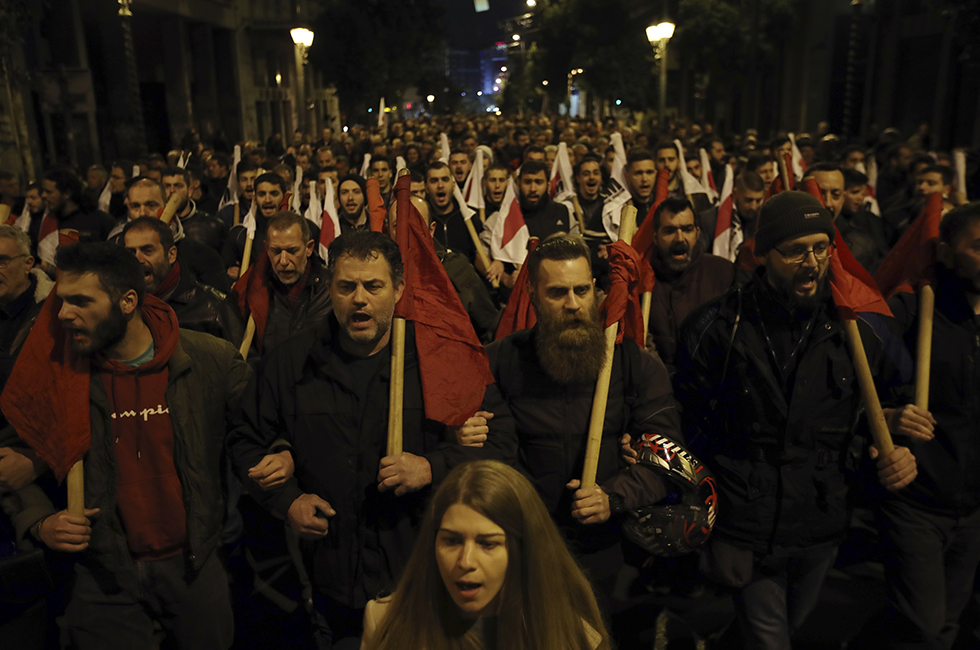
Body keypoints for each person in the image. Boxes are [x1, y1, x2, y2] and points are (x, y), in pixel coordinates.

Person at [227, 230, 515, 649]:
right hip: (333, 591)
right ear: (329, 288)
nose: (359, 298)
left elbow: (502, 448)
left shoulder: (445, 362)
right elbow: (245, 439)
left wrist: (432, 467)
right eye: (347, 286)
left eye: (373, 286)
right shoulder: (290, 363)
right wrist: (287, 500)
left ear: (398, 289)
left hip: (428, 584)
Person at [674, 191, 918, 650]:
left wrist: (896, 438)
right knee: (772, 639)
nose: (811, 262)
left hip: (820, 519)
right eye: (795, 250)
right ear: (763, 253)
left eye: (821, 248)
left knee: (789, 621)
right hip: (746, 518)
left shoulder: (856, 325)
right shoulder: (717, 326)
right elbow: (691, 423)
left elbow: (887, 404)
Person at [16, 242, 251, 649]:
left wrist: (277, 454)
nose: (62, 313)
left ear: (127, 301)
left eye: (80, 301)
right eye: (61, 299)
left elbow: (256, 435)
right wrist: (39, 521)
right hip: (104, 582)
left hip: (195, 572)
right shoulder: (55, 370)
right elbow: (15, 461)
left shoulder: (209, 360)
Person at [484, 236, 683, 642]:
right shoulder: (500, 362)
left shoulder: (636, 366)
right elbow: (493, 456)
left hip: (613, 553)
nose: (573, 304)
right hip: (528, 550)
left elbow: (666, 459)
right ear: (533, 296)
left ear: (596, 289)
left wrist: (614, 496)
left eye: (581, 290)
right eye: (557, 292)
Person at [361, 460, 609, 650]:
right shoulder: (386, 622)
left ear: (524, 549)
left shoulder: (571, 634)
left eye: (487, 544)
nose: (466, 562)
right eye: (452, 540)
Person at [877, 202, 980, 649]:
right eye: (978, 247)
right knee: (922, 622)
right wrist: (891, 417)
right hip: (918, 499)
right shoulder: (912, 311)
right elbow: (857, 393)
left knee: (946, 626)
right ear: (947, 253)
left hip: (974, 506)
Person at [387, 196, 497, 343]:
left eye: (416, 225)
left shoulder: (455, 269)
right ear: (389, 231)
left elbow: (489, 325)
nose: (407, 233)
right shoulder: (381, 273)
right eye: (398, 226)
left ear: (431, 229)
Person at [646, 198, 734, 370]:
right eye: (670, 231)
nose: (680, 238)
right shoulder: (643, 283)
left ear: (697, 232)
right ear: (655, 238)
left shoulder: (724, 273)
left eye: (687, 229)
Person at [229, 211, 332, 356]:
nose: (283, 261)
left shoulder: (332, 290)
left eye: (292, 251)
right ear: (266, 248)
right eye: (276, 251)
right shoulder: (253, 289)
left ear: (309, 248)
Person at [122, 217, 240, 341]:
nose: (138, 259)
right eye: (130, 252)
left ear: (171, 255)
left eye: (148, 251)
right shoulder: (121, 306)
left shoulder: (214, 309)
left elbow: (244, 359)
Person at [115, 177, 231, 293]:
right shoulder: (116, 250)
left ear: (166, 206)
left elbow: (219, 304)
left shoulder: (202, 255)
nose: (142, 213)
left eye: (151, 205)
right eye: (135, 206)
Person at [426, 162, 482, 269]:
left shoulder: (470, 218)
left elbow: (479, 257)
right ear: (426, 187)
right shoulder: (422, 220)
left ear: (453, 185)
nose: (440, 185)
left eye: (445, 179)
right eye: (434, 181)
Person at [162, 166, 228, 254]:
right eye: (167, 186)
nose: (172, 190)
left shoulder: (213, 226)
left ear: (189, 191)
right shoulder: (155, 226)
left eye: (178, 186)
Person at [40, 168, 115, 243]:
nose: (43, 195)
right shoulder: (49, 222)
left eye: (49, 192)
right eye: (43, 191)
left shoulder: (99, 221)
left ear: (67, 194)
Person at [838, 168, 889, 273]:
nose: (860, 198)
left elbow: (882, 254)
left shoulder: (871, 220)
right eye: (855, 192)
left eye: (863, 194)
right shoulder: (831, 221)